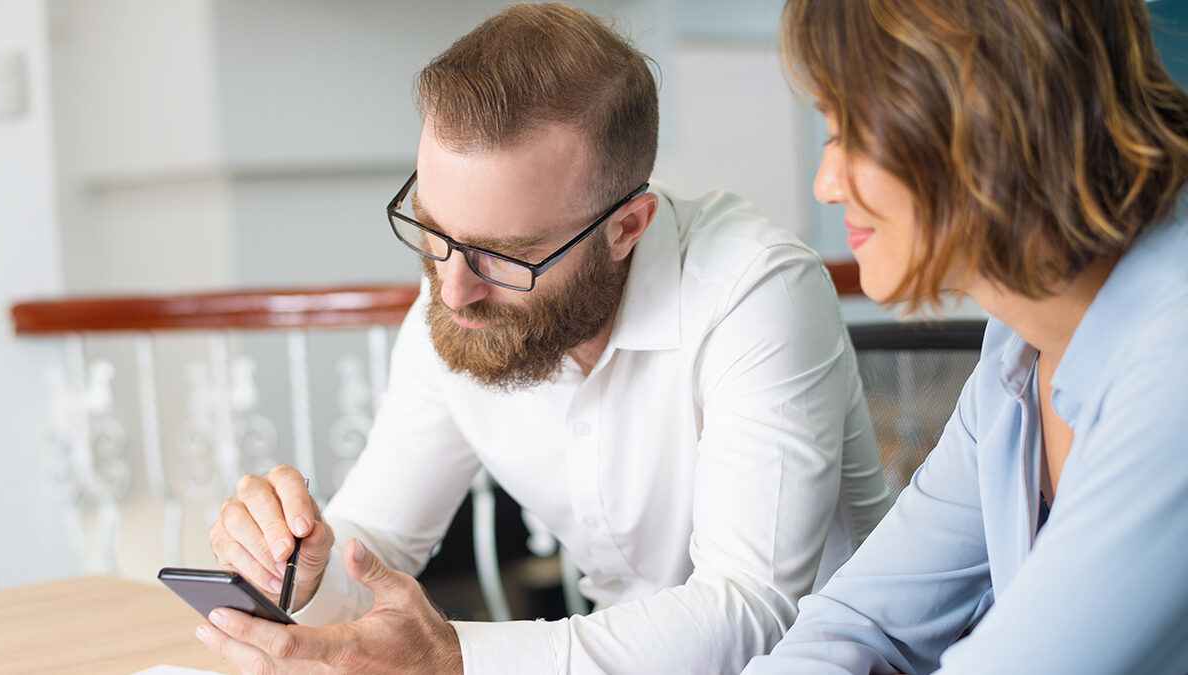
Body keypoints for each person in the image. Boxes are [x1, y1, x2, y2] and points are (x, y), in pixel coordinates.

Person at [195, 3, 891, 673]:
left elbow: (749, 613)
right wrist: (307, 564)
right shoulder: (461, 300)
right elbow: (373, 541)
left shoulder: (757, 289)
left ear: (628, 228)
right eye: (434, 231)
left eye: (505, 255)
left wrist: (458, 660)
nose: (453, 288)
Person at [743, 0, 1188, 673]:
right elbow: (861, 621)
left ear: (978, 115)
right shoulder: (1016, 345)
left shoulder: (1173, 364)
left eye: (851, 133)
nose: (826, 183)